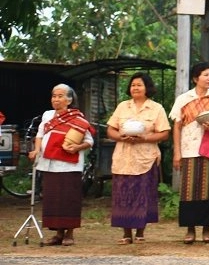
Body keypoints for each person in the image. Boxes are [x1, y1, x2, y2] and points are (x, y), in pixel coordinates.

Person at [169, 61, 209, 244]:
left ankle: (207, 229)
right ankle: (190, 229)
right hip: (189, 148)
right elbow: (177, 126)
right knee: (189, 190)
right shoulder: (184, 99)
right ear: (196, 78)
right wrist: (177, 152)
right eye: (206, 75)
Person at [106, 72, 171, 245]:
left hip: (146, 157)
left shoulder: (156, 108)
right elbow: (110, 130)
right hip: (123, 157)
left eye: (139, 85)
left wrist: (145, 138)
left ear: (147, 87)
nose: (135, 88)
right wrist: (120, 137)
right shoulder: (122, 106)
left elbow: (164, 133)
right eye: (133, 85)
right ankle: (126, 234)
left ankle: (140, 232)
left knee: (143, 194)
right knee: (123, 194)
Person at [27, 83, 95, 247]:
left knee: (68, 199)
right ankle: (58, 233)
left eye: (60, 96)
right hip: (49, 163)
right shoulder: (47, 116)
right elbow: (40, 135)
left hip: (69, 165)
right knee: (53, 199)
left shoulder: (78, 119)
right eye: (54, 96)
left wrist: (77, 147)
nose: (56, 99)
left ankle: (69, 233)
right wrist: (36, 150)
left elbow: (89, 141)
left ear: (69, 100)